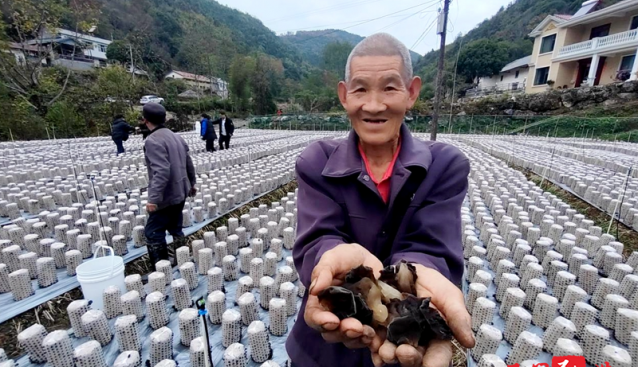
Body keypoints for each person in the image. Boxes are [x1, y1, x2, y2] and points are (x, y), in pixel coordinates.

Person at [286, 33, 475, 367]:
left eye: (389, 87)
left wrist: (412, 276)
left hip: (402, 355)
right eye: (360, 89)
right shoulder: (317, 163)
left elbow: (433, 245)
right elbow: (316, 239)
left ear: (412, 92)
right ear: (344, 96)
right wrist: (331, 256)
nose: (373, 105)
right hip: (321, 353)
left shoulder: (444, 166)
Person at [142, 103, 197, 267]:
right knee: (175, 227)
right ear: (165, 119)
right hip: (181, 191)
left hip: (166, 195)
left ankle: (161, 269)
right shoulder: (176, 136)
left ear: (145, 120)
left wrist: (153, 199)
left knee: (153, 232)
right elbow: (188, 162)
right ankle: (182, 261)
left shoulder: (152, 140)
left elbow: (162, 171)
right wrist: (191, 184)